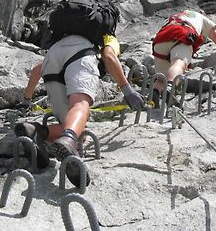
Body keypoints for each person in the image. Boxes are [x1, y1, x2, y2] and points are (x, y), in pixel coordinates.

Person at [14, 32, 144, 187]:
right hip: (81, 57)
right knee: (80, 108)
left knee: (72, 124)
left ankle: (38, 131)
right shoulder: (106, 36)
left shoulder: (65, 34)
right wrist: (127, 90)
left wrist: (26, 100)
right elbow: (108, 57)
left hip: (52, 58)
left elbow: (37, 70)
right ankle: (68, 140)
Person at [151, 9, 216, 107]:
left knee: (161, 78)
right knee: (179, 63)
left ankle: (154, 95)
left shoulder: (175, 16)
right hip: (182, 34)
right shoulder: (201, 17)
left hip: (160, 40)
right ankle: (170, 87)